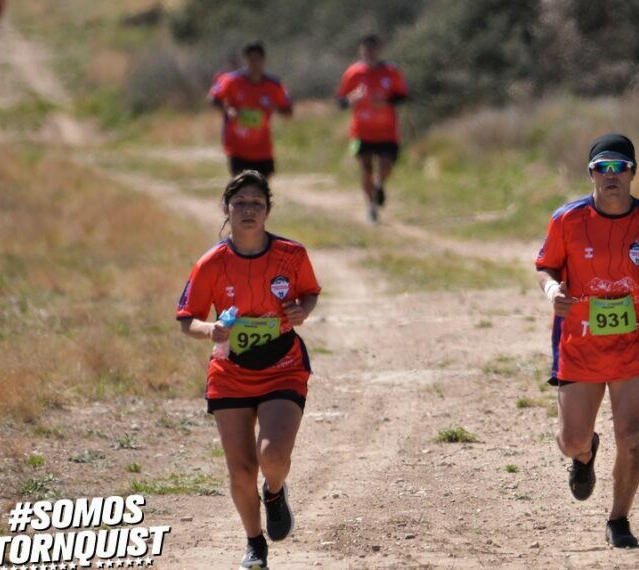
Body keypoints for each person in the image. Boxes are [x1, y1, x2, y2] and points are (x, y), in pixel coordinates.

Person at [534, 134, 639, 548]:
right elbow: (546, 268)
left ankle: (619, 520)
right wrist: (553, 292)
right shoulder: (566, 220)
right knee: (571, 440)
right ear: (590, 174)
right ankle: (585, 455)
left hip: (633, 344)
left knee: (631, 436)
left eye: (619, 167)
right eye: (602, 168)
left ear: (632, 174)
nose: (611, 175)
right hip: (580, 344)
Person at [176, 171, 321, 569]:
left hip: (283, 366)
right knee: (241, 471)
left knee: (272, 457)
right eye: (240, 203)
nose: (248, 211)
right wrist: (212, 329)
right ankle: (254, 544)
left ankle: (274, 492)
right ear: (227, 209)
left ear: (268, 210)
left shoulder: (291, 255)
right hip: (230, 372)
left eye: (257, 203)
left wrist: (301, 310)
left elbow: (309, 293)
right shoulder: (211, 264)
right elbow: (187, 318)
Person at [335, 34, 408, 223]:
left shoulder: (391, 72)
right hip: (361, 132)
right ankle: (371, 207)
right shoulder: (353, 73)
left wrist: (385, 102)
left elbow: (403, 95)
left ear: (379, 50)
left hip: (387, 131)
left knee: (386, 167)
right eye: (365, 49)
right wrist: (352, 99)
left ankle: (379, 183)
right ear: (361, 51)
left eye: (372, 49)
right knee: (366, 169)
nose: (369, 53)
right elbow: (340, 102)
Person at [209, 42, 293, 178]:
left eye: (257, 59)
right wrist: (228, 110)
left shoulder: (274, 85)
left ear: (263, 61)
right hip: (236, 147)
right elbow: (214, 98)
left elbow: (288, 111)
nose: (254, 64)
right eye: (251, 60)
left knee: (262, 190)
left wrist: (275, 108)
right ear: (245, 61)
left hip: (262, 148)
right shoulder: (231, 81)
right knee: (239, 187)